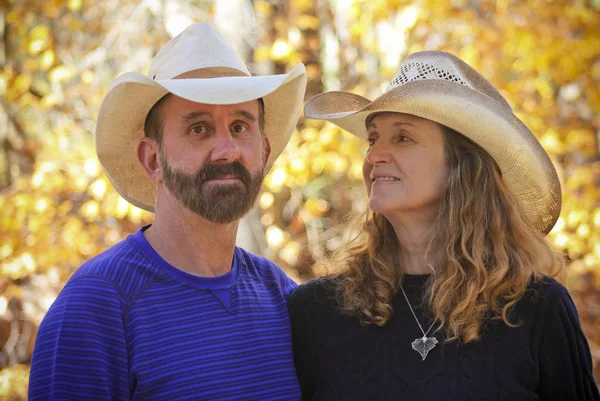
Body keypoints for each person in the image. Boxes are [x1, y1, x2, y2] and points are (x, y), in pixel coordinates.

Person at [288, 50, 600, 400]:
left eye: (402, 137)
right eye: (373, 138)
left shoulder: (535, 308)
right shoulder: (317, 310)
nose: (374, 155)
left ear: (461, 166)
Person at [29, 22, 307, 400]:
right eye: (199, 129)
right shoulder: (96, 307)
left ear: (265, 151)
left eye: (241, 126)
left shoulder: (280, 295)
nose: (227, 150)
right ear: (152, 158)